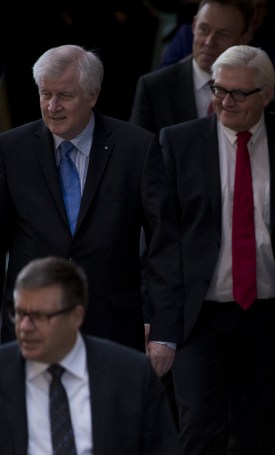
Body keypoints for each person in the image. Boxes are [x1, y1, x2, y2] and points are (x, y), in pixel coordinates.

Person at [159, 44, 275, 454]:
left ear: (267, 94)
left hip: (270, 311)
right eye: (218, 90)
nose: (224, 101)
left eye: (238, 93)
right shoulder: (179, 142)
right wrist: (159, 318)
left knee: (257, 428)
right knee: (198, 427)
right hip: (201, 315)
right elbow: (161, 237)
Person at [0, 45, 183, 377]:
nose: (52, 107)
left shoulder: (136, 148)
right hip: (29, 329)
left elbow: (165, 245)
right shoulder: (10, 150)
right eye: (45, 95)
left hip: (112, 330)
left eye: (65, 96)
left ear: (93, 94)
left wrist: (164, 333)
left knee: (110, 428)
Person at [0, 256, 180, 454]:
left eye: (40, 316)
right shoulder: (4, 374)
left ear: (76, 316)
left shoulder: (132, 377)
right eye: (19, 314)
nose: (24, 327)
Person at [155, 0, 275, 116]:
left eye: (223, 34)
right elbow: (163, 83)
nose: (254, 14)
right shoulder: (188, 37)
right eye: (204, 29)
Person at [130, 0, 255, 135]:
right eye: (204, 29)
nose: (209, 42)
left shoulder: (263, 90)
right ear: (194, 25)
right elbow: (136, 152)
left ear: (244, 38)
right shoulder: (154, 88)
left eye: (223, 34)